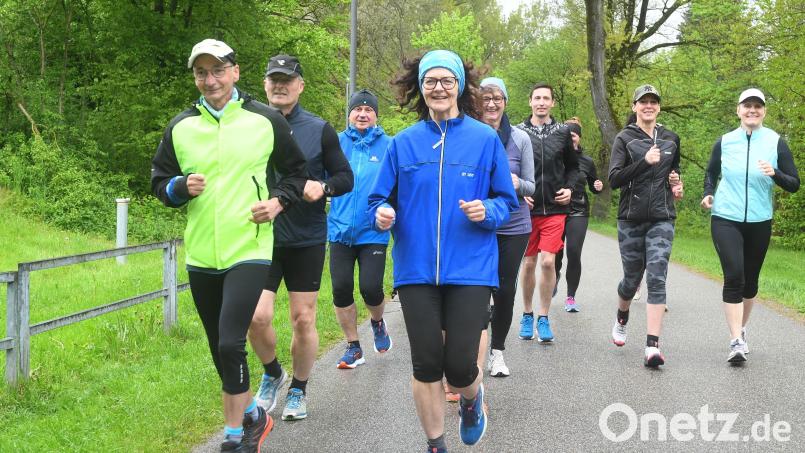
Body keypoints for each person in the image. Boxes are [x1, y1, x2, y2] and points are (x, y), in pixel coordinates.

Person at [151, 39, 307, 452]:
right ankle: (255, 415)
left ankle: (236, 437)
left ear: (235, 72)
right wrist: (179, 187)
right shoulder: (181, 126)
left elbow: (296, 172)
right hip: (202, 253)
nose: (210, 80)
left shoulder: (265, 119)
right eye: (202, 72)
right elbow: (158, 184)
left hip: (250, 248)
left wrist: (277, 203)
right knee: (218, 349)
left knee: (229, 342)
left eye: (218, 70)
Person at [369, 50, 518, 452]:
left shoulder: (484, 139)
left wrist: (486, 209)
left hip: (470, 268)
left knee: (458, 366)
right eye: (430, 81)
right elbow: (377, 200)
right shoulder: (403, 144)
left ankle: (472, 399)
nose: (438, 88)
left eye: (446, 81)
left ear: (459, 86)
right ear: (421, 88)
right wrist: (381, 213)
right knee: (425, 364)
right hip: (416, 270)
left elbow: (507, 201)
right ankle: (436, 444)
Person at [249, 54, 354, 420]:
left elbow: (345, 177)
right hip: (259, 235)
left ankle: (298, 388)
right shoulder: (250, 125)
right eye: (273, 79)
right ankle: (272, 372)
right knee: (255, 316)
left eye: (287, 79)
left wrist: (322, 187)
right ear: (264, 84)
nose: (280, 85)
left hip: (306, 236)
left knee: (303, 319)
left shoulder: (319, 128)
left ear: (300, 85)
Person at [701, 88, 799, 363]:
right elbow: (711, 172)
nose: (752, 110)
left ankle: (741, 330)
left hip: (759, 221)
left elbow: (794, 184)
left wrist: (775, 173)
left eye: (757, 106)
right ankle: (735, 341)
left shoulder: (776, 142)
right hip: (725, 217)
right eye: (747, 106)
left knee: (750, 282)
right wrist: (708, 192)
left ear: (764, 111)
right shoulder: (725, 141)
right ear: (738, 110)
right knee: (734, 276)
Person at [608, 84, 683, 367]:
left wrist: (677, 185)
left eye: (653, 102)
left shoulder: (671, 139)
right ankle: (622, 317)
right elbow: (614, 179)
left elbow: (674, 173)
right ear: (635, 106)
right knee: (631, 279)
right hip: (630, 218)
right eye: (643, 102)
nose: (648, 106)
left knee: (657, 275)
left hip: (662, 217)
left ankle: (652, 346)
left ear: (659, 107)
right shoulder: (624, 138)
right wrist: (643, 162)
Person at [328, 89, 393, 369]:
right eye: (358, 109)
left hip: (373, 231)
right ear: (350, 113)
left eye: (368, 110)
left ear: (376, 115)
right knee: (341, 290)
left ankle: (377, 321)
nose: (363, 114)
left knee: (370, 289)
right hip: (340, 230)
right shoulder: (335, 143)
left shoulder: (390, 145)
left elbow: (397, 186)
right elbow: (318, 180)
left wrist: (390, 211)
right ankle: (353, 346)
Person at [478, 77, 535, 377]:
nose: (491, 103)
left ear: (506, 102)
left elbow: (532, 186)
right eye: (486, 97)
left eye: (497, 97)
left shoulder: (520, 139)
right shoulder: (469, 133)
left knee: (503, 289)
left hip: (513, 225)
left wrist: (516, 184)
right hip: (476, 224)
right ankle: (474, 344)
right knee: (475, 288)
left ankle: (497, 352)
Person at [516, 83, 579, 342]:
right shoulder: (517, 133)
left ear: (552, 103)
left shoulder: (563, 132)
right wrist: (519, 192)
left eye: (546, 98)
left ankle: (543, 316)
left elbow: (575, 168)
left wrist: (570, 189)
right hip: (526, 210)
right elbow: (510, 166)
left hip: (554, 209)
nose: (541, 102)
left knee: (547, 261)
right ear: (530, 101)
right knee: (529, 262)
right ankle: (527, 313)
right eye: (537, 98)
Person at [553, 118, 603, 312]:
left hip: (579, 210)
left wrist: (597, 186)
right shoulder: (555, 156)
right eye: (566, 135)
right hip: (557, 208)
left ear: (578, 138)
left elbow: (594, 184)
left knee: (573, 251)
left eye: (572, 135)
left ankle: (571, 297)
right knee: (555, 252)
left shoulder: (587, 161)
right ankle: (554, 275)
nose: (569, 139)